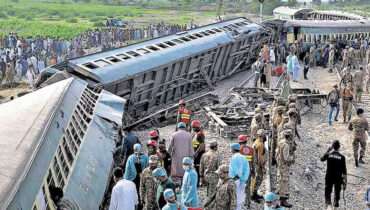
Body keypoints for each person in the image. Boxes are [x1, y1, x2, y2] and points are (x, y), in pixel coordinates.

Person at [320, 140, 347, 209]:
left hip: (329, 177)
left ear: (332, 147)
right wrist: (345, 182)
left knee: (328, 193)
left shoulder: (328, 154)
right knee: (337, 193)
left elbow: (322, 159)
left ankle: (329, 206)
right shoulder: (342, 157)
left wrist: (328, 150)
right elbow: (344, 172)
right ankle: (335, 206)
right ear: (339, 147)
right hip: (338, 178)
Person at [275, 129, 295, 208]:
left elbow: (277, 152)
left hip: (280, 164)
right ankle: (283, 199)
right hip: (284, 165)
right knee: (284, 181)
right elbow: (286, 158)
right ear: (290, 136)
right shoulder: (286, 145)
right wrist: (292, 157)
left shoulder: (281, 142)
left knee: (281, 179)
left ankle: (280, 192)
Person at [229, 143, 249, 210]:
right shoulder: (244, 157)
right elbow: (247, 169)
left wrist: (239, 178)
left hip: (235, 180)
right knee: (240, 198)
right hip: (242, 180)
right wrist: (243, 179)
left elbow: (235, 170)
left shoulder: (234, 157)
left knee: (234, 197)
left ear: (233, 149)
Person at [238, 135, 254, 209]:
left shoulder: (238, 150)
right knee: (247, 188)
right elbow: (253, 162)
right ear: (246, 141)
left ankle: (239, 204)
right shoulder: (251, 149)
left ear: (239, 142)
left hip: (240, 172)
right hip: (248, 171)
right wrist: (253, 171)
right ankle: (248, 204)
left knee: (239, 188)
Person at [251, 129, 265, 203]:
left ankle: (254, 193)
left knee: (255, 178)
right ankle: (253, 194)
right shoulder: (260, 144)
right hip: (258, 164)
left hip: (254, 163)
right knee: (258, 179)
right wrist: (263, 167)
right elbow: (260, 157)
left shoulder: (255, 142)